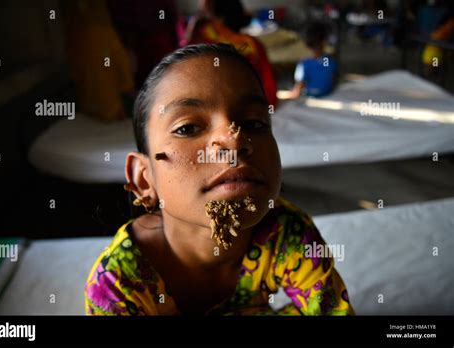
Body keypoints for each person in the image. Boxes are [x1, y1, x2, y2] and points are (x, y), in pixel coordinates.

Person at [85, 44, 354, 315]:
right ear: (144, 180)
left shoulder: (287, 233)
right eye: (187, 128)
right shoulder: (116, 284)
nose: (234, 139)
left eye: (255, 123)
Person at [185, 0, 278, 107]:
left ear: (216, 17)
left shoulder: (202, 36)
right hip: (254, 103)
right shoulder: (253, 44)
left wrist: (192, 27)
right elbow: (269, 89)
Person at [65, 0, 135, 122]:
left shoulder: (74, 34)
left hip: (89, 105)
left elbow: (75, 71)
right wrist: (127, 87)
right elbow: (122, 65)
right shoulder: (103, 31)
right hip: (112, 107)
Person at [290, 21, 337, 98]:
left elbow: (299, 87)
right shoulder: (331, 62)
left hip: (310, 96)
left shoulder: (305, 64)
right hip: (328, 96)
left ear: (306, 44)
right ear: (324, 42)